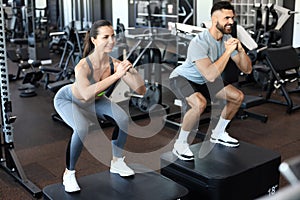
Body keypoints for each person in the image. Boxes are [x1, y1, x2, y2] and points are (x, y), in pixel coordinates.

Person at [54, 20, 146, 192]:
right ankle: (69, 173)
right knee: (81, 128)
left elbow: (141, 90)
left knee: (123, 119)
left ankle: (117, 162)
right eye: (105, 37)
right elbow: (87, 93)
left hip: (96, 101)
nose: (111, 41)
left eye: (113, 36)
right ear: (94, 40)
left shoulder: (115, 64)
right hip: (69, 99)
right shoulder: (83, 65)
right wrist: (117, 75)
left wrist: (133, 73)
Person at [169, 1, 252, 161]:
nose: (231, 22)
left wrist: (241, 50)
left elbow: (247, 69)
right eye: (227, 18)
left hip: (204, 79)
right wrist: (228, 52)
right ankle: (180, 144)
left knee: (237, 97)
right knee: (199, 104)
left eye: (232, 18)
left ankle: (218, 133)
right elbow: (210, 76)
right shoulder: (199, 42)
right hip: (183, 78)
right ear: (215, 20)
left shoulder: (227, 39)